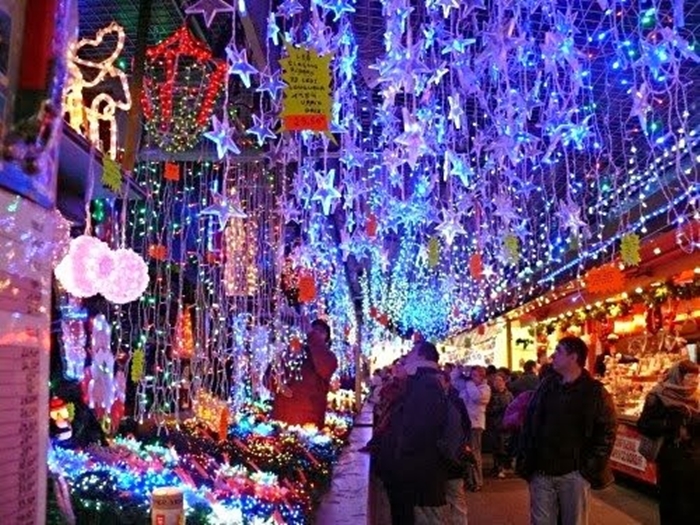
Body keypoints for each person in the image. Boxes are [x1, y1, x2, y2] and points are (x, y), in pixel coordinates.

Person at [517, 336, 617, 525]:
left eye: (559, 351)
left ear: (573, 357)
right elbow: (530, 422)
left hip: (573, 474)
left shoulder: (594, 392)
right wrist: (527, 456)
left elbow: (607, 431)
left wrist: (588, 468)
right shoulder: (546, 386)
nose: (553, 356)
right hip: (541, 472)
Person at [375, 341, 448, 525]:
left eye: (412, 351)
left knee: (409, 516)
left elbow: (418, 429)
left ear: (422, 356)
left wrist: (399, 456)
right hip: (408, 470)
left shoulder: (426, 384)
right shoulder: (419, 382)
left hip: (413, 472)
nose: (407, 354)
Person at [637, 360, 700, 524]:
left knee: (693, 504)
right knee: (672, 503)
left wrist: (693, 420)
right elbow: (644, 425)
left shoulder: (696, 397)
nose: (694, 381)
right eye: (690, 377)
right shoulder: (658, 395)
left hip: (694, 458)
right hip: (670, 457)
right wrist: (670, 423)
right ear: (678, 377)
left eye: (696, 377)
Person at [265, 319, 338, 428]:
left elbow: (325, 366)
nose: (316, 333)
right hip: (282, 421)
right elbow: (268, 379)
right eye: (314, 330)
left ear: (326, 338)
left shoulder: (329, 358)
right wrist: (279, 385)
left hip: (309, 424)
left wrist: (313, 336)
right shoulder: (290, 353)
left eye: (321, 332)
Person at [461, 365, 491, 492]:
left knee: (474, 452)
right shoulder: (470, 387)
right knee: (468, 453)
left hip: (475, 424)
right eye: (471, 375)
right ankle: (470, 479)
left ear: (482, 376)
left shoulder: (485, 388)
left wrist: (469, 383)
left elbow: (476, 397)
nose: (472, 379)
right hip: (467, 423)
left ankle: (477, 480)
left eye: (475, 376)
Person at [486, 372, 513, 478]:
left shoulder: (508, 394)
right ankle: (497, 467)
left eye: (500, 381)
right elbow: (489, 410)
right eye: (495, 381)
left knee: (504, 446)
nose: (497, 383)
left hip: (505, 424)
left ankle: (502, 467)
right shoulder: (491, 395)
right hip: (495, 424)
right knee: (496, 447)